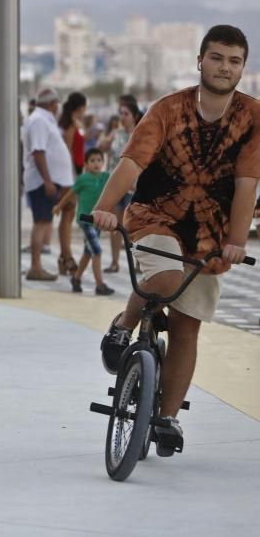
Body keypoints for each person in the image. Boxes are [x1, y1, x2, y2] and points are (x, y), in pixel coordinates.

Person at [91, 25, 260, 456]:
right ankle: (125, 323)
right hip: (155, 217)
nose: (225, 67)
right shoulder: (167, 109)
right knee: (164, 283)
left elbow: (246, 184)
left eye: (234, 60)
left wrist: (237, 241)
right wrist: (107, 207)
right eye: (217, 57)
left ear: (243, 67)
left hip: (211, 234)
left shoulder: (253, 117)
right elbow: (132, 164)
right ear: (200, 60)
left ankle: (166, 418)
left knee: (187, 327)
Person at [23, 88, 75, 281]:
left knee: (45, 222)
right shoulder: (39, 121)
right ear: (52, 104)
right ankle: (35, 267)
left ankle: (37, 266)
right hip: (41, 181)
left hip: (49, 181)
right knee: (41, 222)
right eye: (56, 104)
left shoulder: (44, 120)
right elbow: (38, 152)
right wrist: (47, 180)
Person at [52, 147, 115, 295]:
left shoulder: (106, 177)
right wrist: (59, 206)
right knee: (97, 251)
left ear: (103, 162)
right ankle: (100, 285)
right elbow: (70, 194)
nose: (96, 163)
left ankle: (76, 278)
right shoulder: (82, 179)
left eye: (99, 160)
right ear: (86, 164)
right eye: (92, 161)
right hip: (85, 221)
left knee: (88, 252)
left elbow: (121, 183)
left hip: (98, 220)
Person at [99, 96, 142, 272]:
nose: (122, 117)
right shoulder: (116, 134)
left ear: (134, 116)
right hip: (117, 187)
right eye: (120, 113)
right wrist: (111, 134)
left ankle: (139, 262)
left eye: (126, 114)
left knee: (134, 227)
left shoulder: (140, 135)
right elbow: (102, 147)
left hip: (134, 188)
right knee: (115, 226)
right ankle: (115, 262)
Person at [56, 92, 88, 276]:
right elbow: (67, 151)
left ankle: (64, 256)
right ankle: (66, 256)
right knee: (67, 214)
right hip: (70, 174)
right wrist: (73, 178)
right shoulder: (69, 125)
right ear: (80, 107)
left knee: (67, 215)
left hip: (75, 171)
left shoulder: (72, 123)